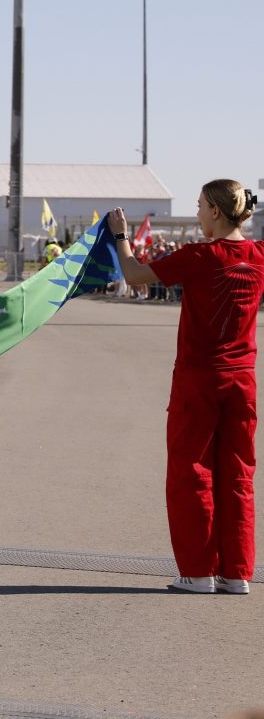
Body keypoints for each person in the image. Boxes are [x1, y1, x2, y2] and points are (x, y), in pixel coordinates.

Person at [108, 179, 264, 595]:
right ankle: (237, 573)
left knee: (191, 471)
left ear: (215, 211)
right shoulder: (260, 255)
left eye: (199, 206)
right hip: (243, 380)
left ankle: (198, 572)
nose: (196, 213)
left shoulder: (200, 256)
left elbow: (135, 275)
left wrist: (121, 237)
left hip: (199, 377)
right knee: (238, 474)